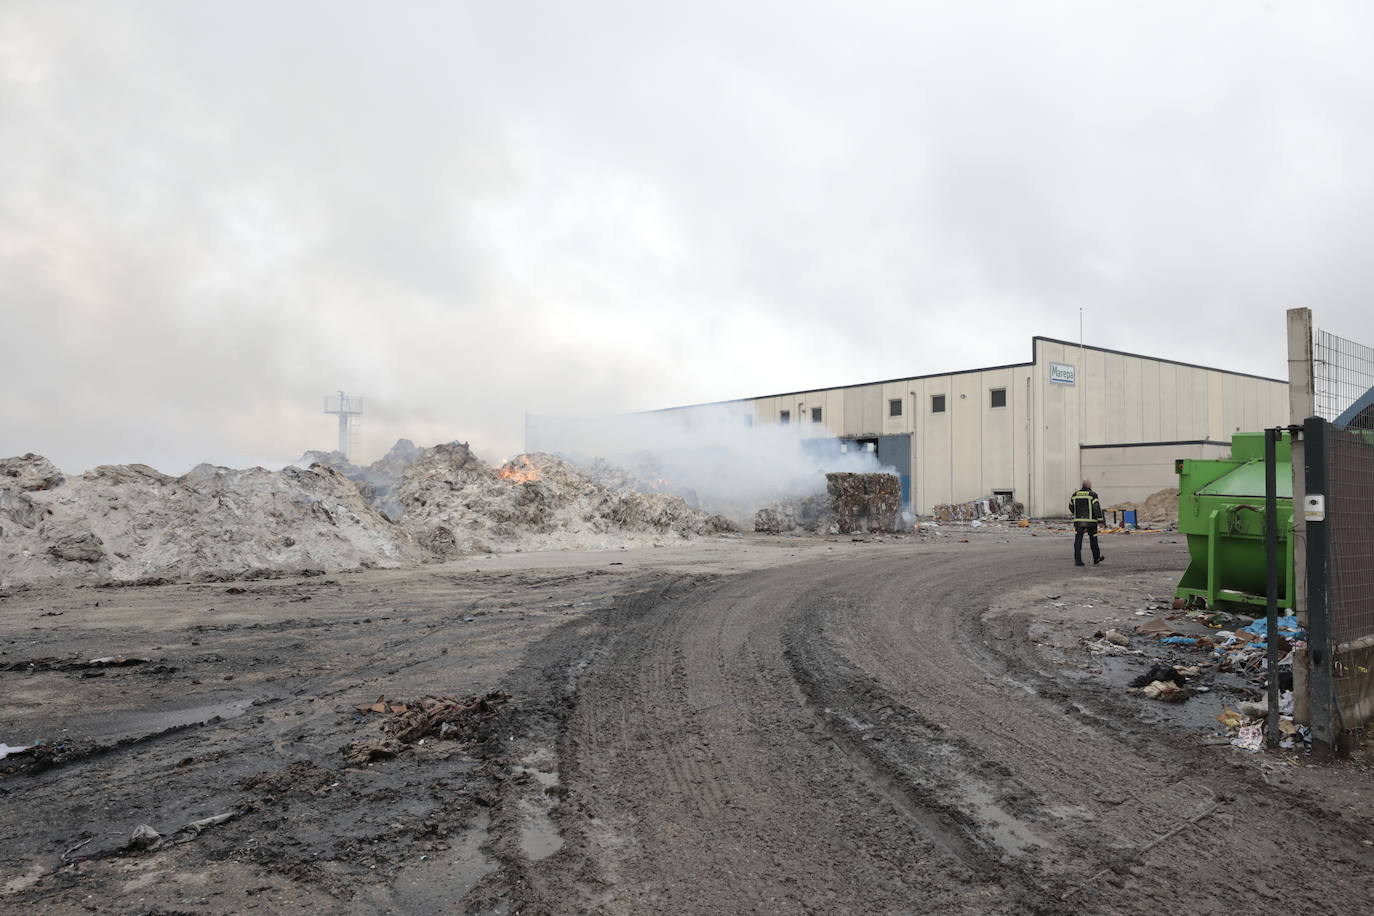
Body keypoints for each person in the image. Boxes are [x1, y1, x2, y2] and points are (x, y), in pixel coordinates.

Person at [1069, 480, 1105, 567]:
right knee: (1093, 540)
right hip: (1091, 522)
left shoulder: (1075, 494)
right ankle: (1096, 558)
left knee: (1078, 540)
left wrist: (1076, 513)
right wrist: (1100, 520)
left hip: (1078, 522)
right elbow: (1096, 507)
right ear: (1089, 486)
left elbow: (1070, 506)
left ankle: (1078, 560)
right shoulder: (1092, 494)